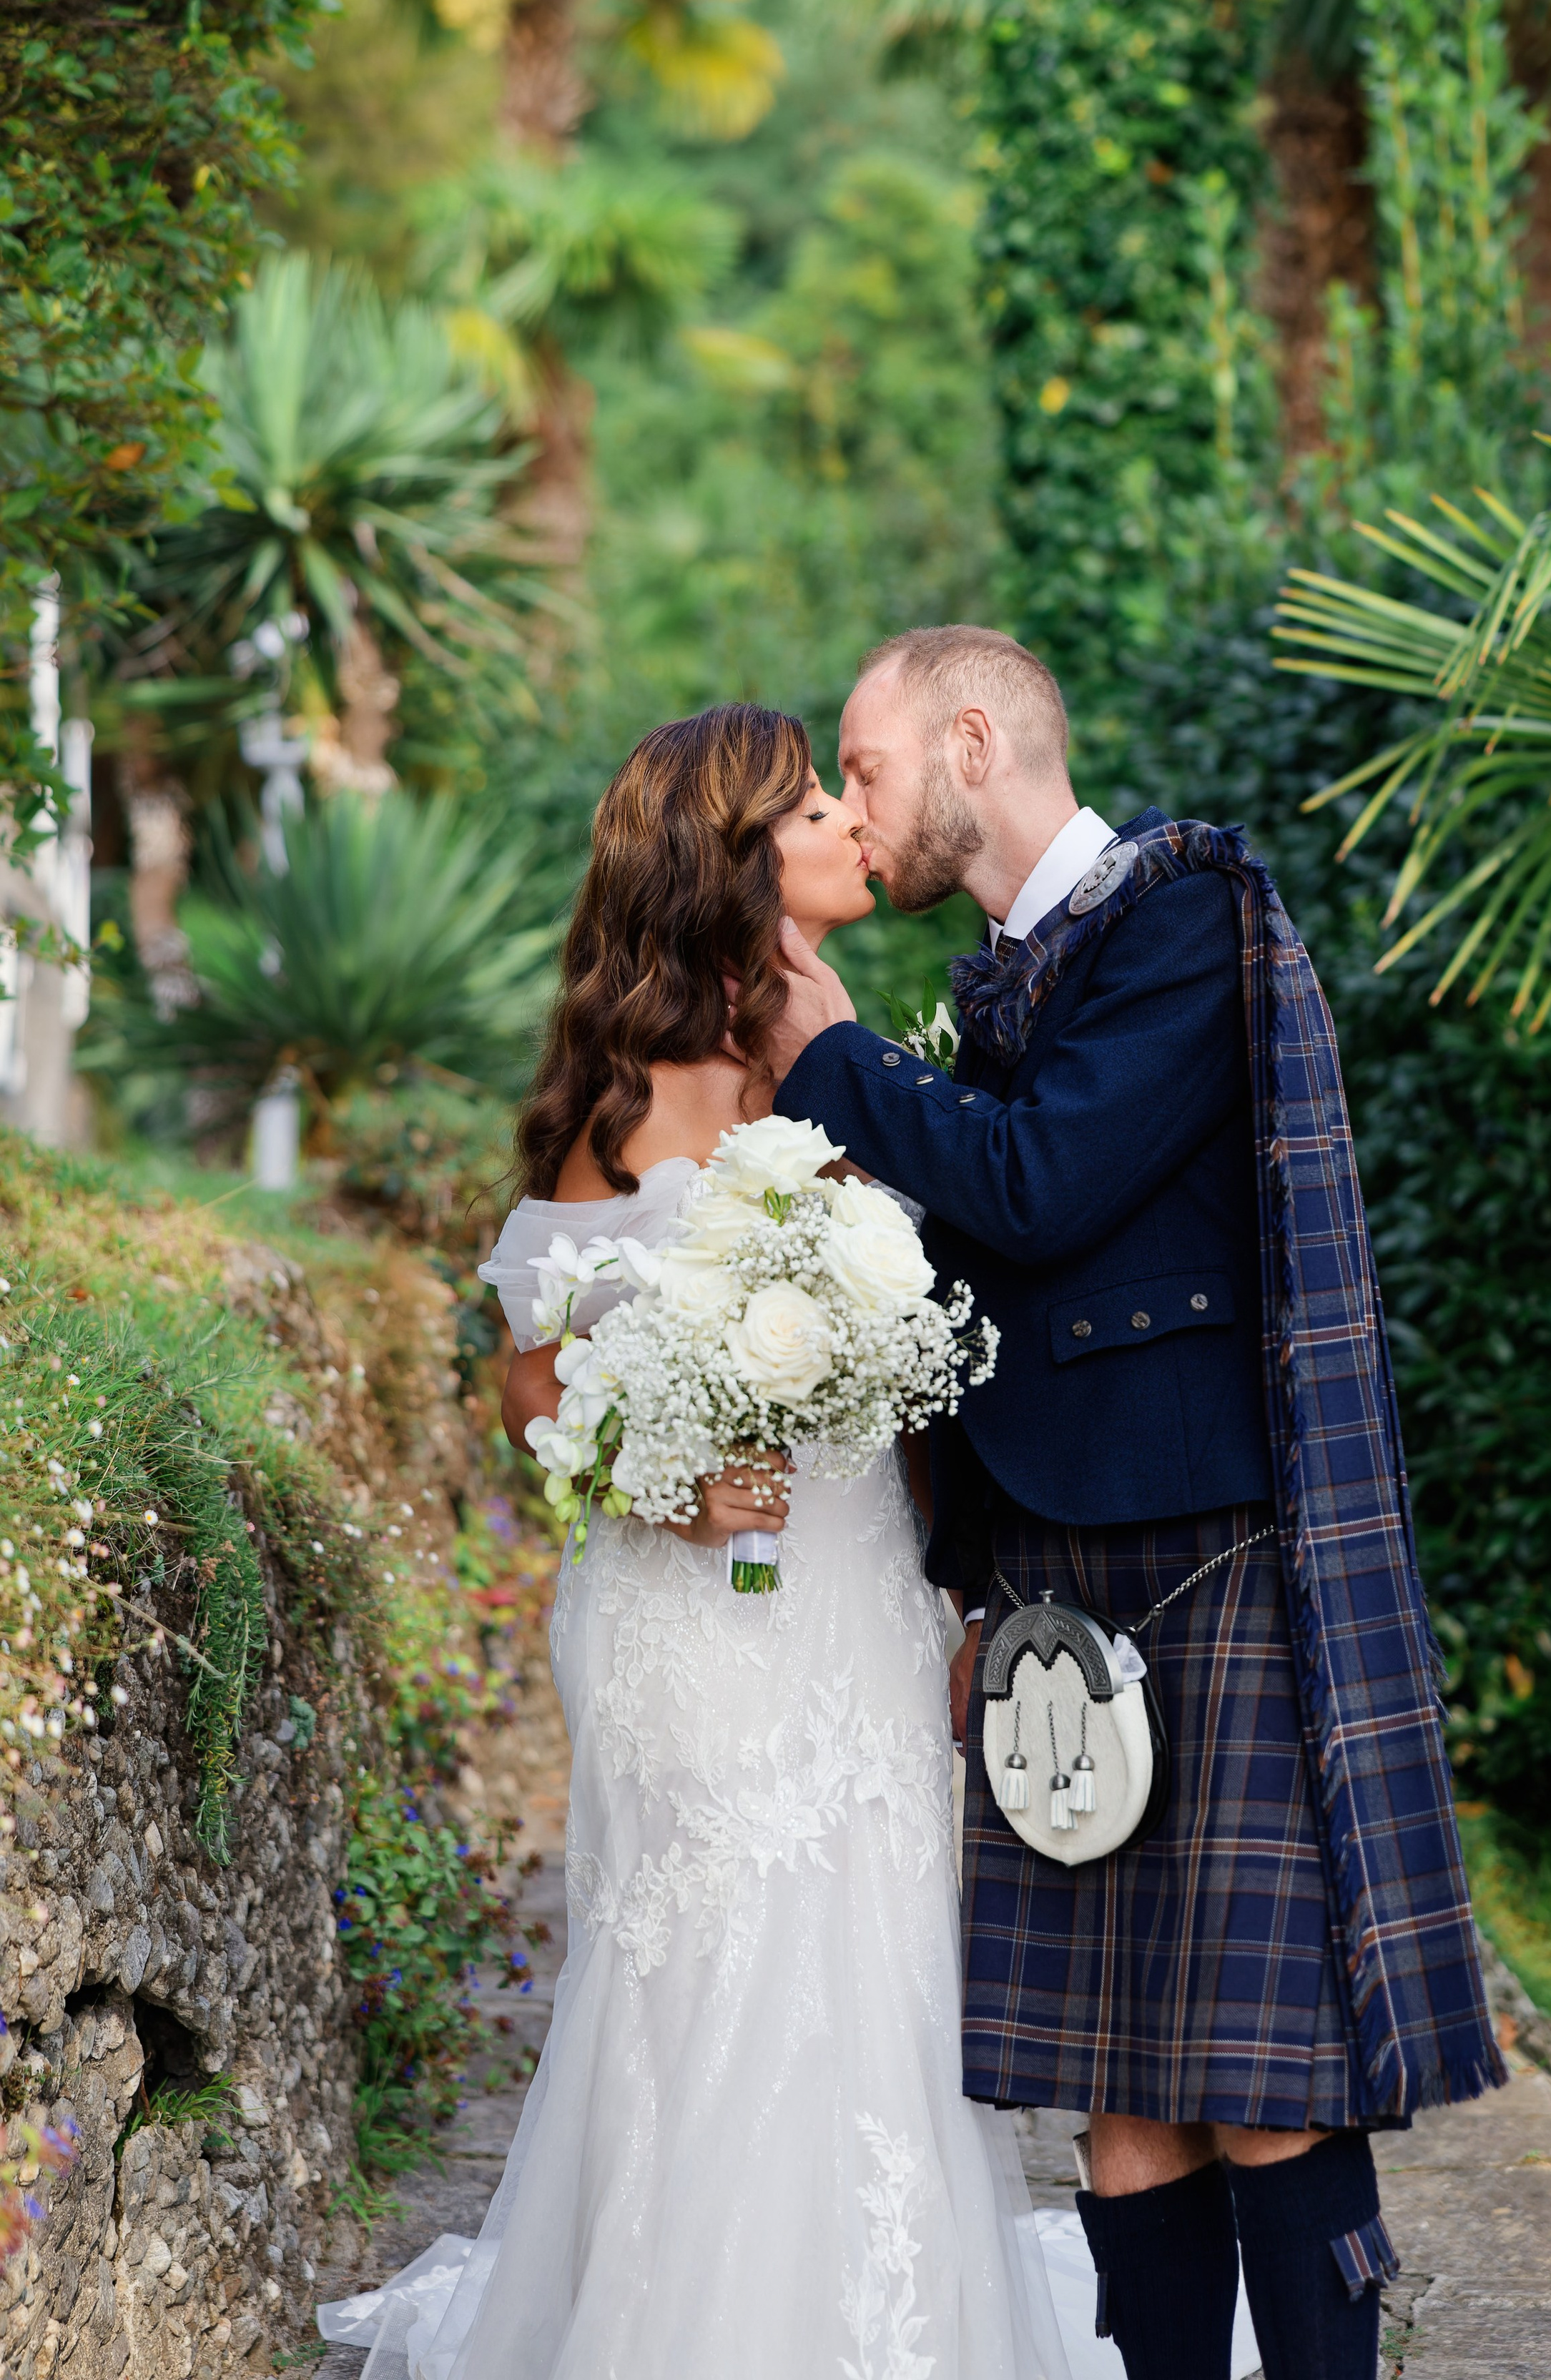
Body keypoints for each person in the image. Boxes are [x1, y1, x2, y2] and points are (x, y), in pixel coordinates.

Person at [759, 626, 1505, 2380]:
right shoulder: (1007, 973)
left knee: (1262, 2077)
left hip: (1204, 1561)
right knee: (1113, 2097)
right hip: (1047, 1574)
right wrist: (964, 1579)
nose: (853, 812)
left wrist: (837, 1057)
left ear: (965, 741)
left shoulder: (1180, 913)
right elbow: (964, 1297)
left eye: (860, 769)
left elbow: (1040, 1186)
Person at [341, 706, 1070, 2380]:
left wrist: (961, 1581)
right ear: (741, 859)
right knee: (713, 1970)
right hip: (688, 1616)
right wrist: (663, 1478)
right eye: (814, 801)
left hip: (855, 1596)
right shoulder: (627, 1092)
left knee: (876, 1966)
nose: (845, 818)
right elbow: (533, 1377)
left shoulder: (858, 1052)